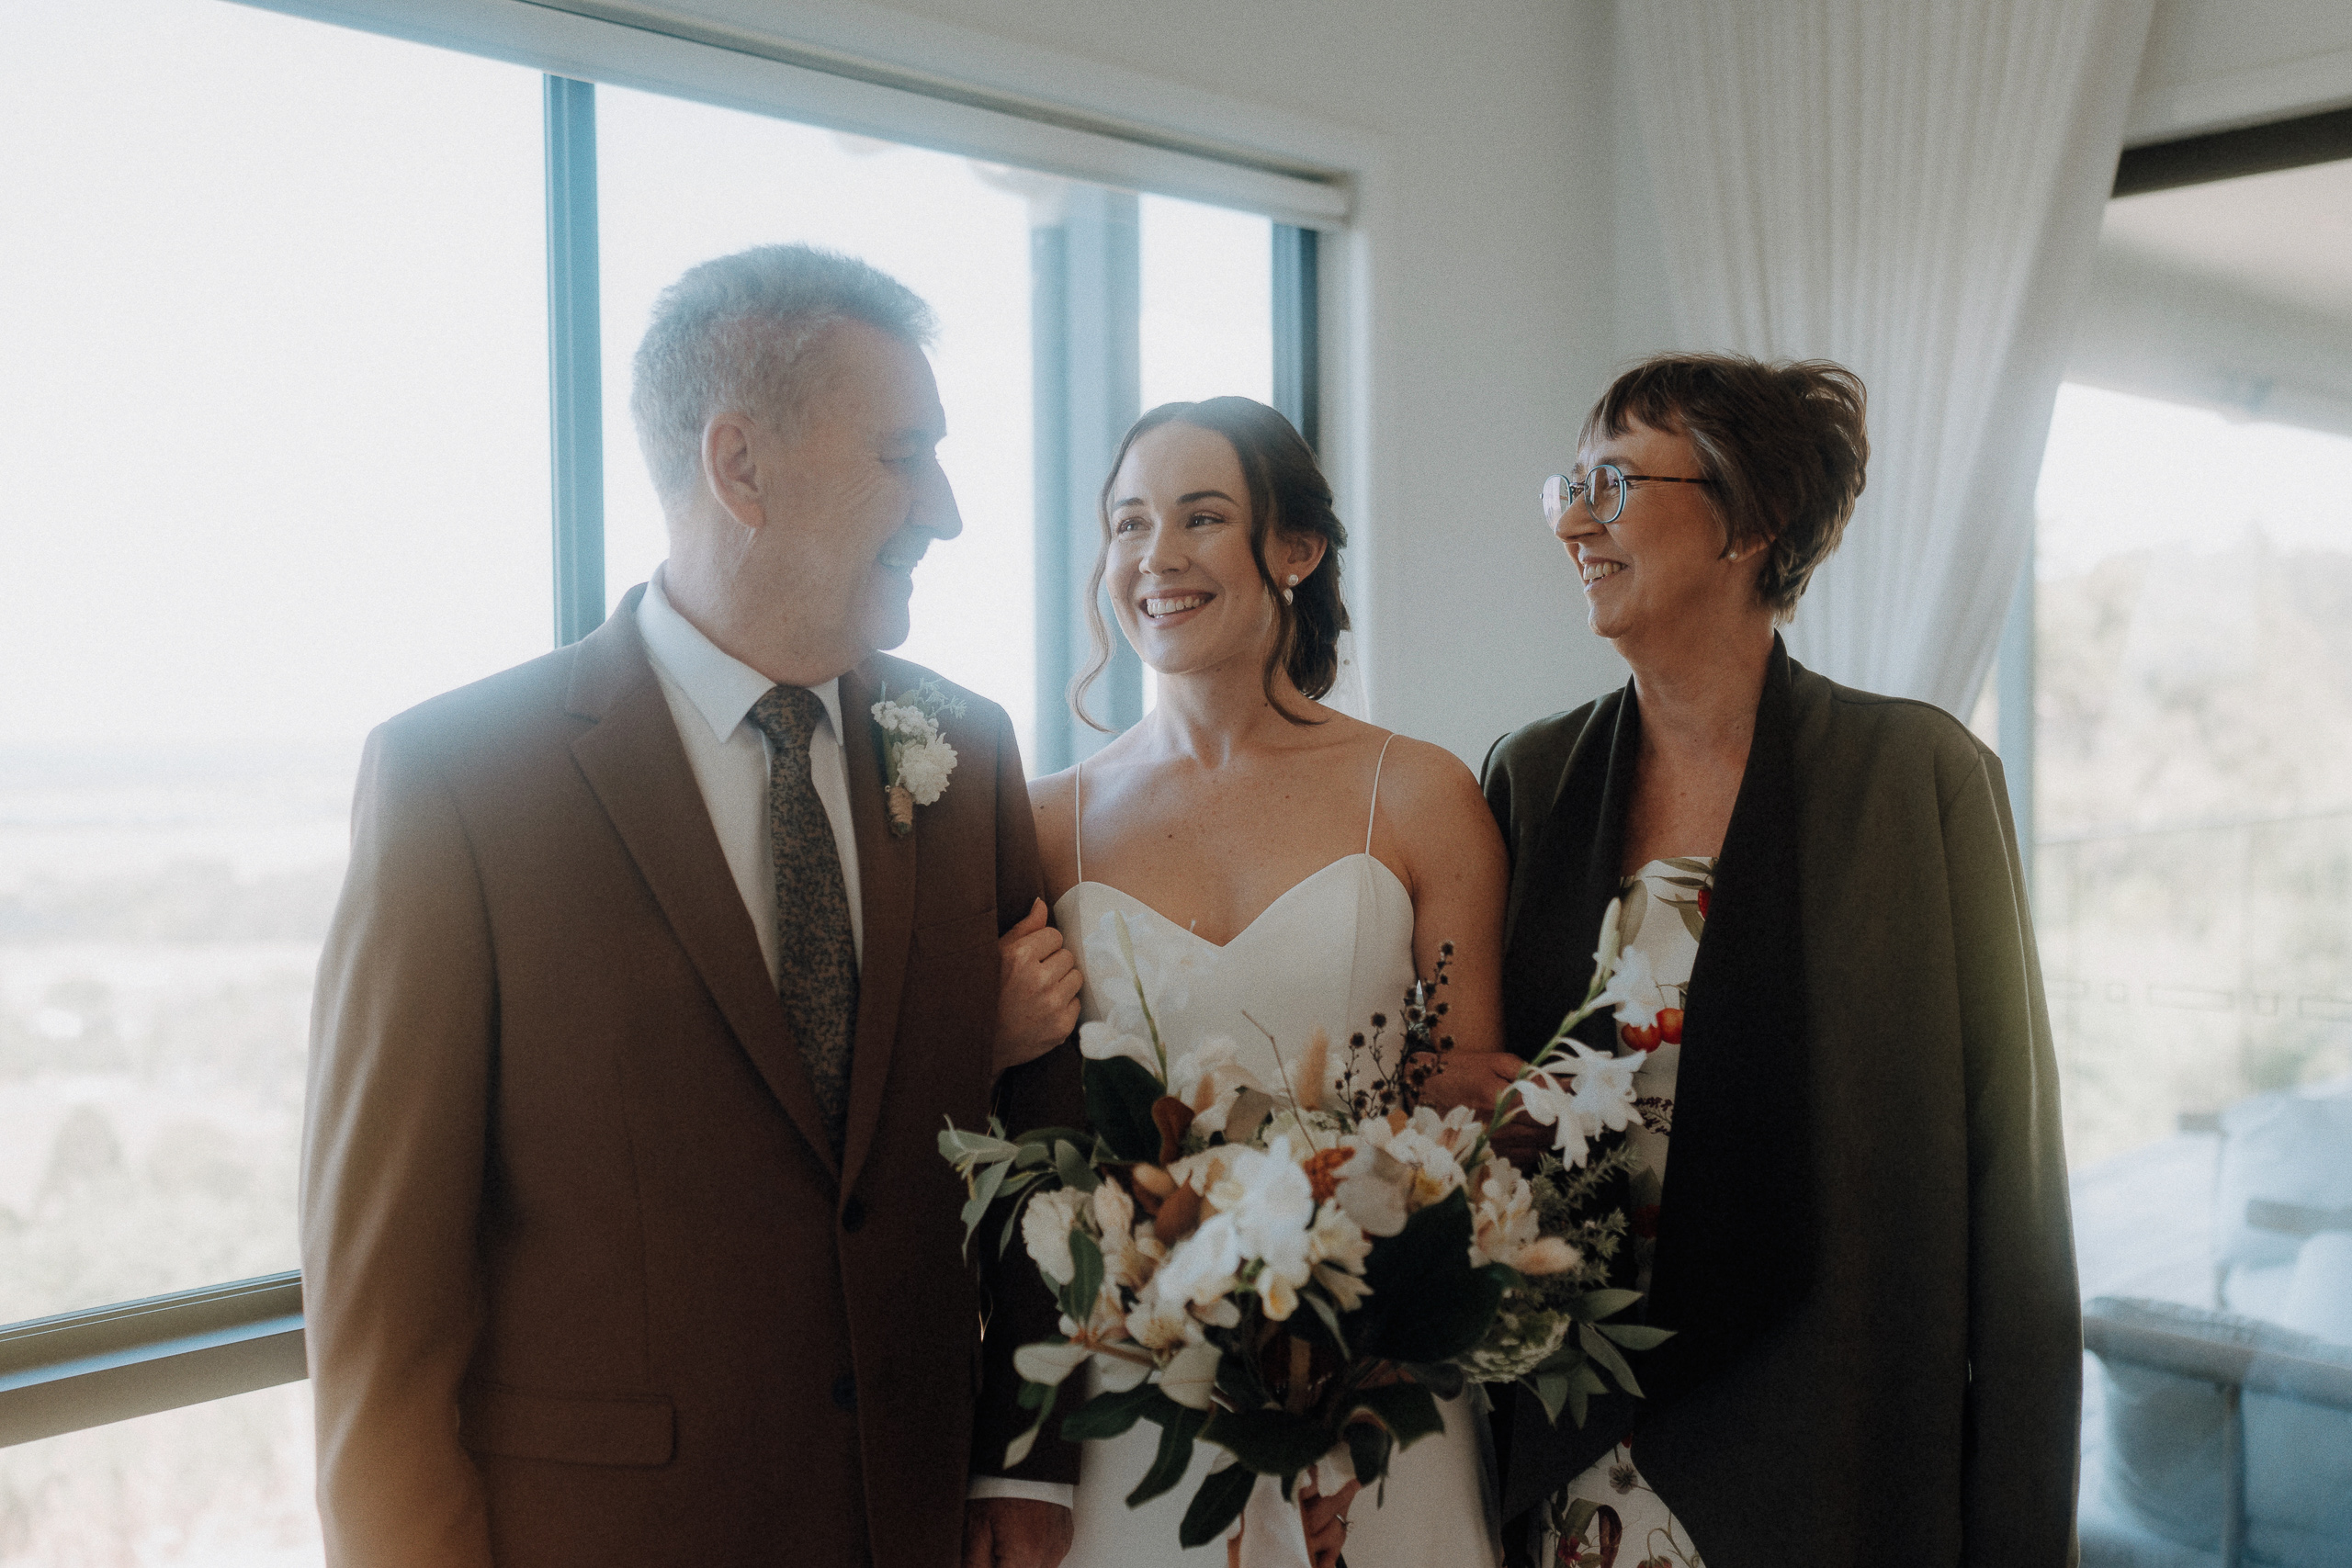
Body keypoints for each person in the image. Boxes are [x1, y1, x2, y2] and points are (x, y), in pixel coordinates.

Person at [301, 243, 1084, 1568]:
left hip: (914, 1519)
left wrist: (1027, 1458)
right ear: (739, 466)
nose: (945, 508)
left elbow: (1039, 1137)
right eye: (904, 452)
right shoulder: (461, 781)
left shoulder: (967, 746)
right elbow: (383, 1310)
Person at [1440, 353, 2079, 1566]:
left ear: (1751, 519)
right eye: (1567, 484)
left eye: (1615, 481)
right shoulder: (1531, 776)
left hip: (1825, 1452)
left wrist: (2023, 1536)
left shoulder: (1922, 782)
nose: (1576, 518)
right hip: (1578, 1451)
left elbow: (2019, 1207)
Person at [1021, 396, 1510, 1567]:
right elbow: (1023, 1124)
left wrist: (1357, 1363)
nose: (1157, 558)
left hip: (1378, 1380)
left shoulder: (1421, 793)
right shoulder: (1047, 824)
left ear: (1295, 550)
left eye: (1201, 518)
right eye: (1130, 524)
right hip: (1139, 1392)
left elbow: (1466, 1100)